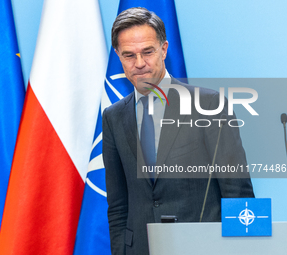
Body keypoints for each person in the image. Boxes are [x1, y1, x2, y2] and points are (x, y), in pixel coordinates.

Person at [102, 7, 254, 255]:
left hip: (204, 249)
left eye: (147, 52)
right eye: (129, 55)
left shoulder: (209, 105)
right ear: (118, 55)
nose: (139, 64)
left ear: (164, 49)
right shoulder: (113, 117)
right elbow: (118, 206)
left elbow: (238, 193)